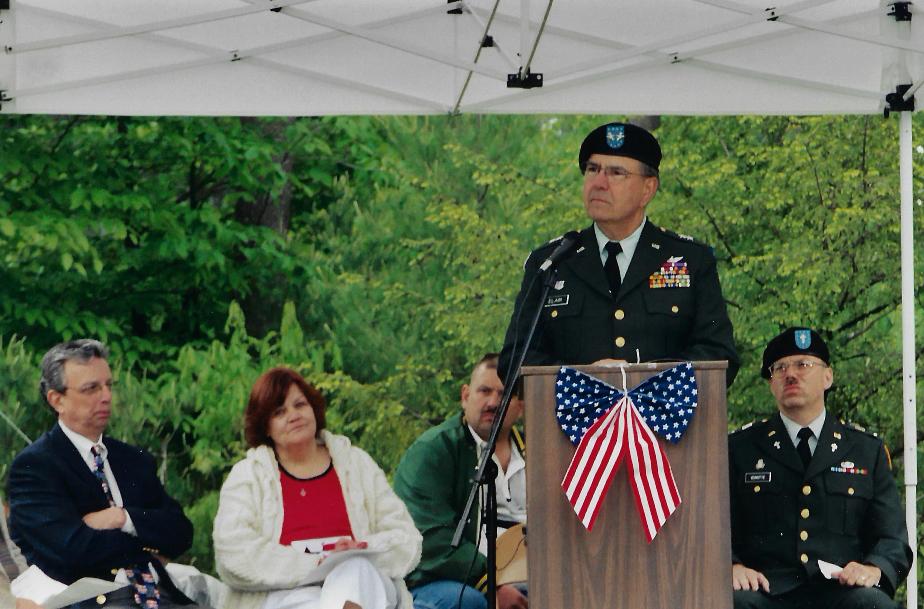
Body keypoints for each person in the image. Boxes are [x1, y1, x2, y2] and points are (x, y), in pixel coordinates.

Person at [498, 121, 739, 386]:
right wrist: (584, 381)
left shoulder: (690, 259)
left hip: (662, 424)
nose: (599, 183)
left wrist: (641, 382)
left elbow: (719, 355)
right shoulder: (552, 261)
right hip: (574, 424)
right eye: (593, 169)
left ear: (647, 189)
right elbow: (514, 361)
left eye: (616, 173)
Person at [7, 339, 200, 609]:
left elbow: (181, 532)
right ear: (57, 399)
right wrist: (147, 543)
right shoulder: (35, 467)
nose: (106, 396)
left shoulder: (132, 459)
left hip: (162, 597)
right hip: (94, 602)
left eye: (109, 385)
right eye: (91, 388)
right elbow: (73, 551)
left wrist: (122, 518)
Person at [729, 328, 912, 609]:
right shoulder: (739, 449)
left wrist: (874, 568)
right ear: (771, 384)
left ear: (828, 377)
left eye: (803, 364)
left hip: (841, 591)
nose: (790, 374)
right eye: (779, 368)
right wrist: (731, 566)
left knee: (875, 604)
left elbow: (892, 539)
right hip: (765, 591)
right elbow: (713, 529)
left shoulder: (866, 450)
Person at [213, 367, 421, 609]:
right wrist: (318, 562)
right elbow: (233, 554)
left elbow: (406, 538)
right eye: (280, 412)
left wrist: (362, 549)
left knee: (354, 568)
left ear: (314, 408)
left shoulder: (356, 463)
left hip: (364, 584)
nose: (293, 415)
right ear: (266, 427)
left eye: (300, 405)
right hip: (286, 594)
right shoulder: (248, 476)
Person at [393, 354, 528, 609]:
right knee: (469, 603)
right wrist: (493, 585)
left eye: (504, 393)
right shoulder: (433, 451)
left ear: (520, 406)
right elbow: (430, 539)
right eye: (484, 391)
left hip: (527, 572)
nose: (493, 402)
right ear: (465, 396)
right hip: (439, 579)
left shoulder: (539, 452)